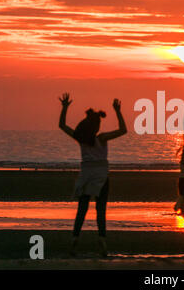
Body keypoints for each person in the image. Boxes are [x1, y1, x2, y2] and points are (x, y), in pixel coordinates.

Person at [58, 93, 127, 256]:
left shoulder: (81, 138)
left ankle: (75, 239)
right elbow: (123, 130)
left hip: (86, 177)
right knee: (100, 210)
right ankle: (102, 241)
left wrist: (65, 107)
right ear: (96, 127)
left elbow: (62, 125)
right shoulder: (101, 138)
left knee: (81, 210)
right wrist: (117, 111)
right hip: (102, 177)